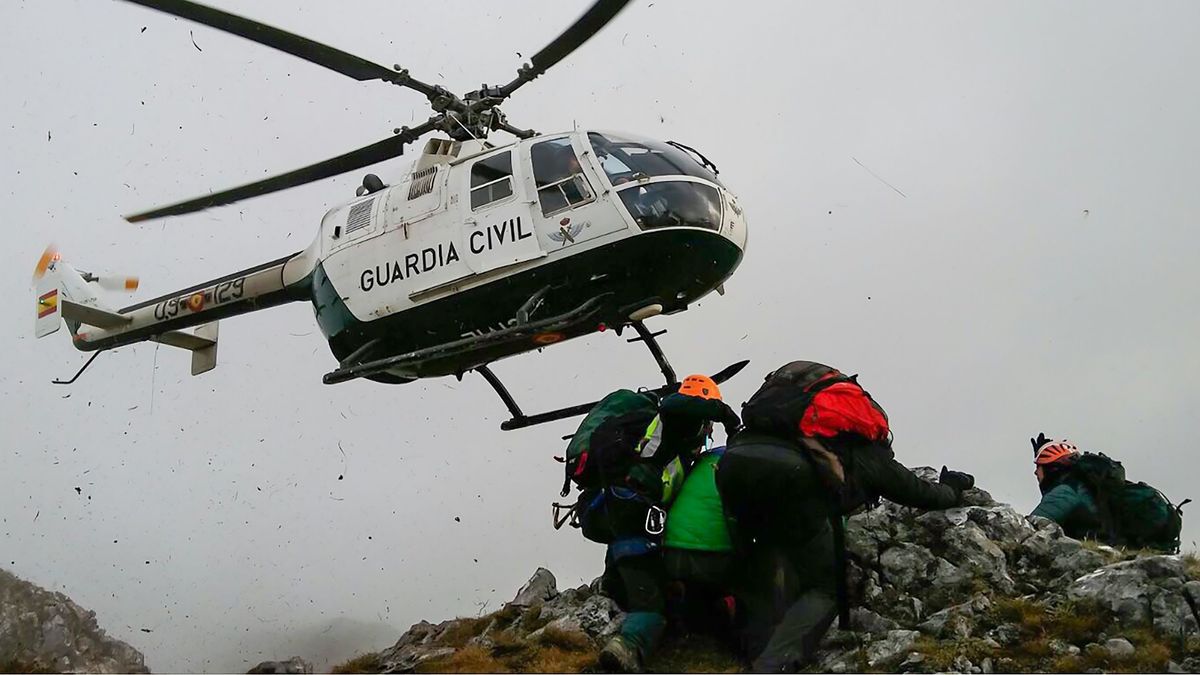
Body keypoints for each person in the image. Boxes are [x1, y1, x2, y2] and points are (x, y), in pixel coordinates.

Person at [715, 360, 975, 672]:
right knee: (826, 586)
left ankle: (749, 651)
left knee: (765, 562)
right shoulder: (864, 451)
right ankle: (772, 666)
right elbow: (921, 494)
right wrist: (953, 486)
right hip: (790, 481)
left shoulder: (783, 426)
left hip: (733, 465)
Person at [597, 375, 740, 674]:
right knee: (652, 609)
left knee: (661, 587)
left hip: (631, 518)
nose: (709, 431)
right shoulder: (676, 420)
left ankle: (613, 586)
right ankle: (625, 649)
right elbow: (678, 404)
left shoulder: (680, 448)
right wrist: (726, 415)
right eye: (709, 422)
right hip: (634, 514)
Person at [1028, 434, 1103, 539]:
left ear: (1051, 469)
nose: (1035, 472)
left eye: (1038, 467)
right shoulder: (1085, 487)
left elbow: (1030, 527)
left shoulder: (1065, 491)